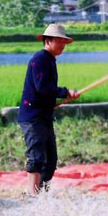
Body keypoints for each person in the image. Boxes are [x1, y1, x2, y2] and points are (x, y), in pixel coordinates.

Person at [17, 24, 80, 195]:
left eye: (64, 42)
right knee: (36, 156)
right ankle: (33, 195)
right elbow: (43, 87)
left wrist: (61, 96)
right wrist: (65, 92)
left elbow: (45, 90)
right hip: (33, 116)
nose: (62, 45)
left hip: (43, 115)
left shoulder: (49, 59)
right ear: (47, 41)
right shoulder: (41, 59)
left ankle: (43, 194)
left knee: (50, 159)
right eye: (59, 41)